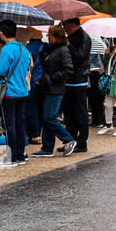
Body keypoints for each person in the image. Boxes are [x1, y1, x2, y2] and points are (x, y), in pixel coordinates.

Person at [34, 25, 78, 158]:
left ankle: (68, 140)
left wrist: (51, 78)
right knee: (47, 118)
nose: (48, 37)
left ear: (55, 36)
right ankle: (47, 147)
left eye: (49, 34)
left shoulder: (63, 50)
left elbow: (68, 70)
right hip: (49, 88)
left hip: (55, 89)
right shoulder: (53, 49)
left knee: (49, 117)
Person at [0, 20, 32, 167]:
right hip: (22, 91)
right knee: (20, 124)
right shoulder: (23, 48)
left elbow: (1, 70)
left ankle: (11, 158)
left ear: (1, 33)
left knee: (9, 125)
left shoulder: (6, 49)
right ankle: (21, 155)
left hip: (9, 92)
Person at [61, 17, 92, 152]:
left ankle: (82, 141)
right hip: (69, 79)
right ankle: (70, 140)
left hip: (78, 80)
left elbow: (80, 57)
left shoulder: (84, 38)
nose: (64, 28)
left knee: (80, 112)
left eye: (65, 25)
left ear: (72, 25)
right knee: (69, 114)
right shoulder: (72, 36)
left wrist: (69, 45)